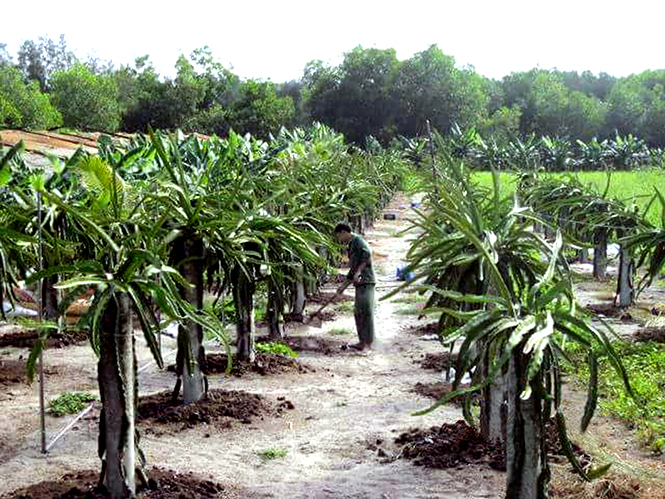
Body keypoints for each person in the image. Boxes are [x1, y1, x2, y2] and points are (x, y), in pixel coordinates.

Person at [333, 223, 375, 350]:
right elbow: (352, 269)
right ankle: (362, 341)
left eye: (339, 236)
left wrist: (359, 272)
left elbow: (367, 255)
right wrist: (343, 286)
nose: (339, 240)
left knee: (365, 311)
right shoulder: (351, 244)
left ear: (343, 232)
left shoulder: (358, 240)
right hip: (359, 283)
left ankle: (368, 342)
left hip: (366, 281)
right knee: (358, 312)